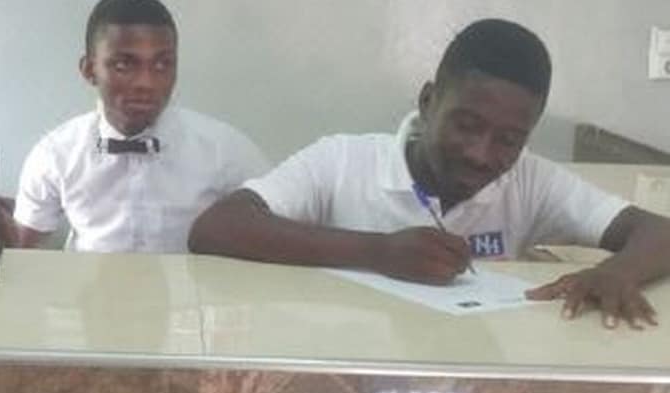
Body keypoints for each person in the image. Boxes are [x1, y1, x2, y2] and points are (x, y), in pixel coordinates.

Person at [189, 18, 670, 330]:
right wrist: (377, 252)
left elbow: (659, 232)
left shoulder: (531, 181)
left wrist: (616, 272)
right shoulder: (343, 161)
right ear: (427, 101)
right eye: (467, 125)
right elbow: (218, 226)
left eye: (508, 139)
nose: (482, 154)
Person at [9, 0, 268, 253]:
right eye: (123, 65)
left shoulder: (225, 151)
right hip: (89, 283)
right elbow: (21, 247)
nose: (146, 83)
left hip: (189, 284)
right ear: (89, 70)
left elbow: (273, 229)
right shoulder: (56, 154)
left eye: (162, 64)